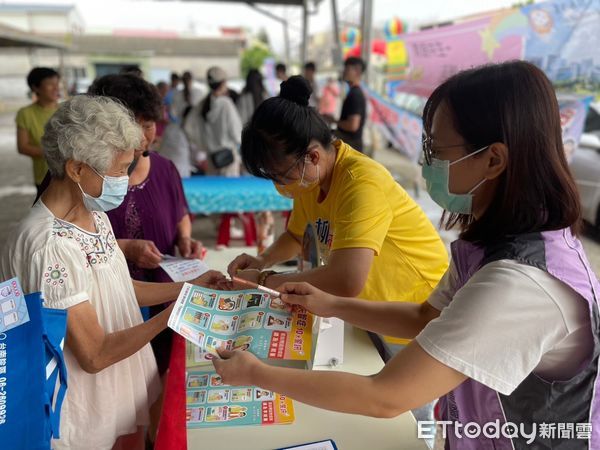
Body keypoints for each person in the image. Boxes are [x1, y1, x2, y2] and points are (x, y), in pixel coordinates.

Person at [214, 61, 599, 449]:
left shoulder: (519, 282)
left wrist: (257, 374)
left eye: (436, 148)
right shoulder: (494, 246)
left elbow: (386, 396)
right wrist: (330, 305)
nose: (425, 160)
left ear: (493, 160)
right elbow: (424, 317)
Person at [0, 95, 226, 450]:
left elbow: (119, 288)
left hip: (120, 384)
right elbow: (94, 354)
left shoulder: (93, 214)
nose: (125, 178)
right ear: (76, 169)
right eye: (119, 169)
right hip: (85, 409)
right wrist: (175, 314)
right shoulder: (49, 245)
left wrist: (187, 287)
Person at [229, 76, 448, 353]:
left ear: (313, 156)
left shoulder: (361, 182)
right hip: (373, 311)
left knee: (404, 390)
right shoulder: (311, 179)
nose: (280, 185)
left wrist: (263, 281)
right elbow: (296, 236)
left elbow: (346, 279)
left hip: (415, 310)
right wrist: (261, 260)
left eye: (281, 175)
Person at [88, 74, 204, 444]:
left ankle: (153, 439)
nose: (144, 136)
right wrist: (125, 248)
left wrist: (184, 238)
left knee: (159, 381)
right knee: (119, 400)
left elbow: (180, 212)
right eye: (135, 125)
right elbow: (74, 242)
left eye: (150, 124)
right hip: (108, 309)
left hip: (159, 295)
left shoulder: (165, 169)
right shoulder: (84, 179)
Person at [184, 66, 243, 177]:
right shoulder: (226, 104)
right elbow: (237, 133)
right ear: (223, 83)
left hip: (211, 159)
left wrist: (202, 145)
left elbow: (188, 126)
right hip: (228, 159)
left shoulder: (202, 104)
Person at [16, 67, 60, 195]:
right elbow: (23, 147)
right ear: (35, 87)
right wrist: (57, 152)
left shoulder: (67, 109)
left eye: (57, 83)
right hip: (44, 178)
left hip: (71, 177)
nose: (56, 88)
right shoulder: (26, 113)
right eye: (50, 84)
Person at [334, 57, 367, 152]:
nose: (344, 72)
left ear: (357, 72)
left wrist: (334, 121)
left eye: (347, 69)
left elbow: (352, 125)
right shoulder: (354, 92)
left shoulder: (355, 94)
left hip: (351, 147)